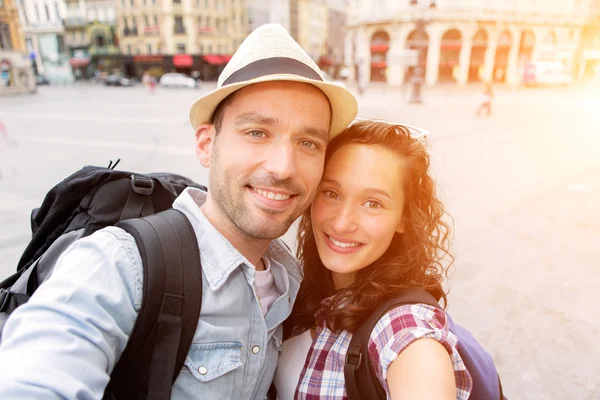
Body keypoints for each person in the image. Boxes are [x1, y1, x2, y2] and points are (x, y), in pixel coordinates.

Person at [0, 24, 358, 399]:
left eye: (308, 142)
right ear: (206, 144)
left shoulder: (292, 282)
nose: (284, 166)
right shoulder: (122, 265)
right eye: (257, 133)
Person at [275, 120, 473, 399]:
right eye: (332, 193)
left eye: (373, 203)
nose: (342, 223)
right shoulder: (297, 289)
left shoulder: (405, 329)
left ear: (404, 217)